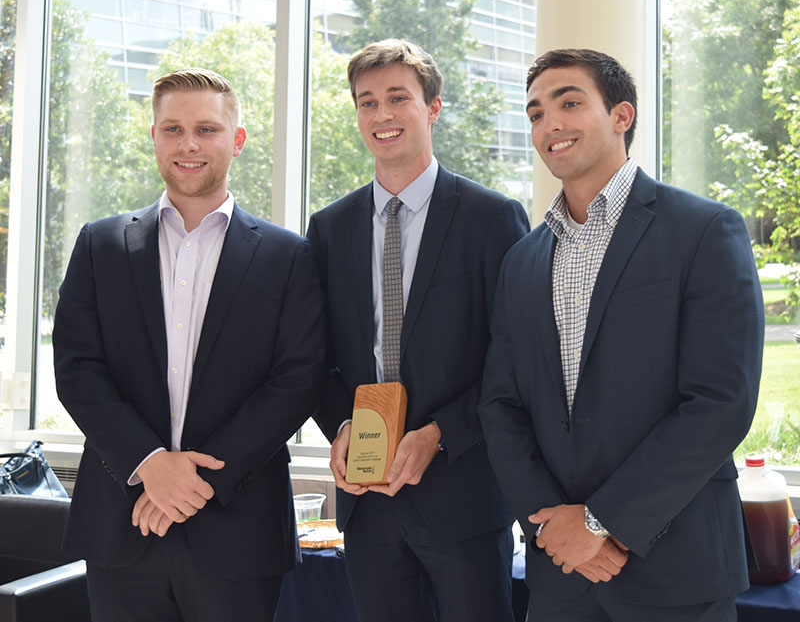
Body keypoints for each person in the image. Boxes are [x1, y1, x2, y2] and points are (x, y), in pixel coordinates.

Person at [477, 48, 765, 621]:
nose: (549, 124)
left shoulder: (705, 230)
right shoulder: (521, 260)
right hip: (561, 576)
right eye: (535, 113)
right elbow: (501, 405)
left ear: (621, 116)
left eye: (569, 103)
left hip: (677, 570)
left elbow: (719, 403)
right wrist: (553, 523)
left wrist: (599, 521)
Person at [53, 68, 325, 621]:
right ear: (153, 136)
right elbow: (78, 369)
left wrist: (193, 481)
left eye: (206, 129)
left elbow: (297, 381)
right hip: (123, 525)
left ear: (237, 140)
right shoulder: (99, 244)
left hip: (238, 533)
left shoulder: (287, 255)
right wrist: (149, 463)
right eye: (173, 129)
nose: (189, 144)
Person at [307, 39, 530, 622]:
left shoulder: (492, 218)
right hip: (367, 501)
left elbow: (515, 359)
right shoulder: (328, 229)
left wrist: (440, 433)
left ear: (432, 108)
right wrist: (341, 422)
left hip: (463, 494)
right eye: (366, 102)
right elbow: (313, 357)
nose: (381, 115)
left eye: (397, 98)